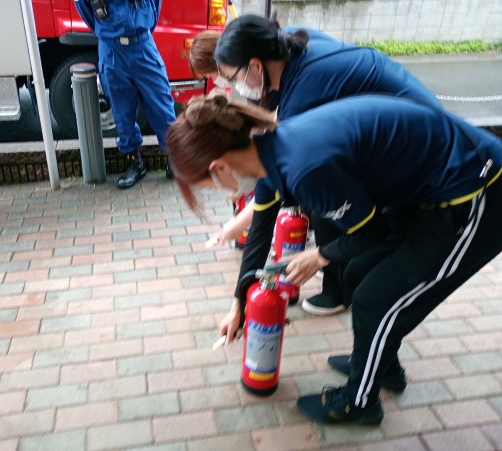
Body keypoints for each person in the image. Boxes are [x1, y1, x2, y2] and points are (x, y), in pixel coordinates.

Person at [165, 93, 502, 425]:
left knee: (376, 300)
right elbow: (259, 235)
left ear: (219, 167)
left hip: (475, 191)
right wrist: (239, 303)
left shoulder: (306, 167)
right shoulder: (266, 152)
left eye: (209, 186)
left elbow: (369, 232)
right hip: (425, 191)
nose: (221, 192)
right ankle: (381, 366)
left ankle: (359, 403)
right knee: (357, 275)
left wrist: (320, 256)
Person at [208, 15, 441, 340]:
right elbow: (266, 201)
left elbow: (267, 202)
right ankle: (366, 339)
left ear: (256, 66)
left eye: (234, 78)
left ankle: (360, 330)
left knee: (371, 270)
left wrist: (318, 257)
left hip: (421, 153)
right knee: (355, 257)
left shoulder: (302, 98)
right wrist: (240, 301)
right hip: (399, 139)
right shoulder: (286, 44)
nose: (236, 88)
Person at [74, 0, 176, 189]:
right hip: (112, 51)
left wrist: (139, 30)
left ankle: (175, 158)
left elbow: (155, 6)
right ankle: (134, 162)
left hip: (143, 46)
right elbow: (85, 10)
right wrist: (109, 33)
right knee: (122, 113)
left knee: (162, 106)